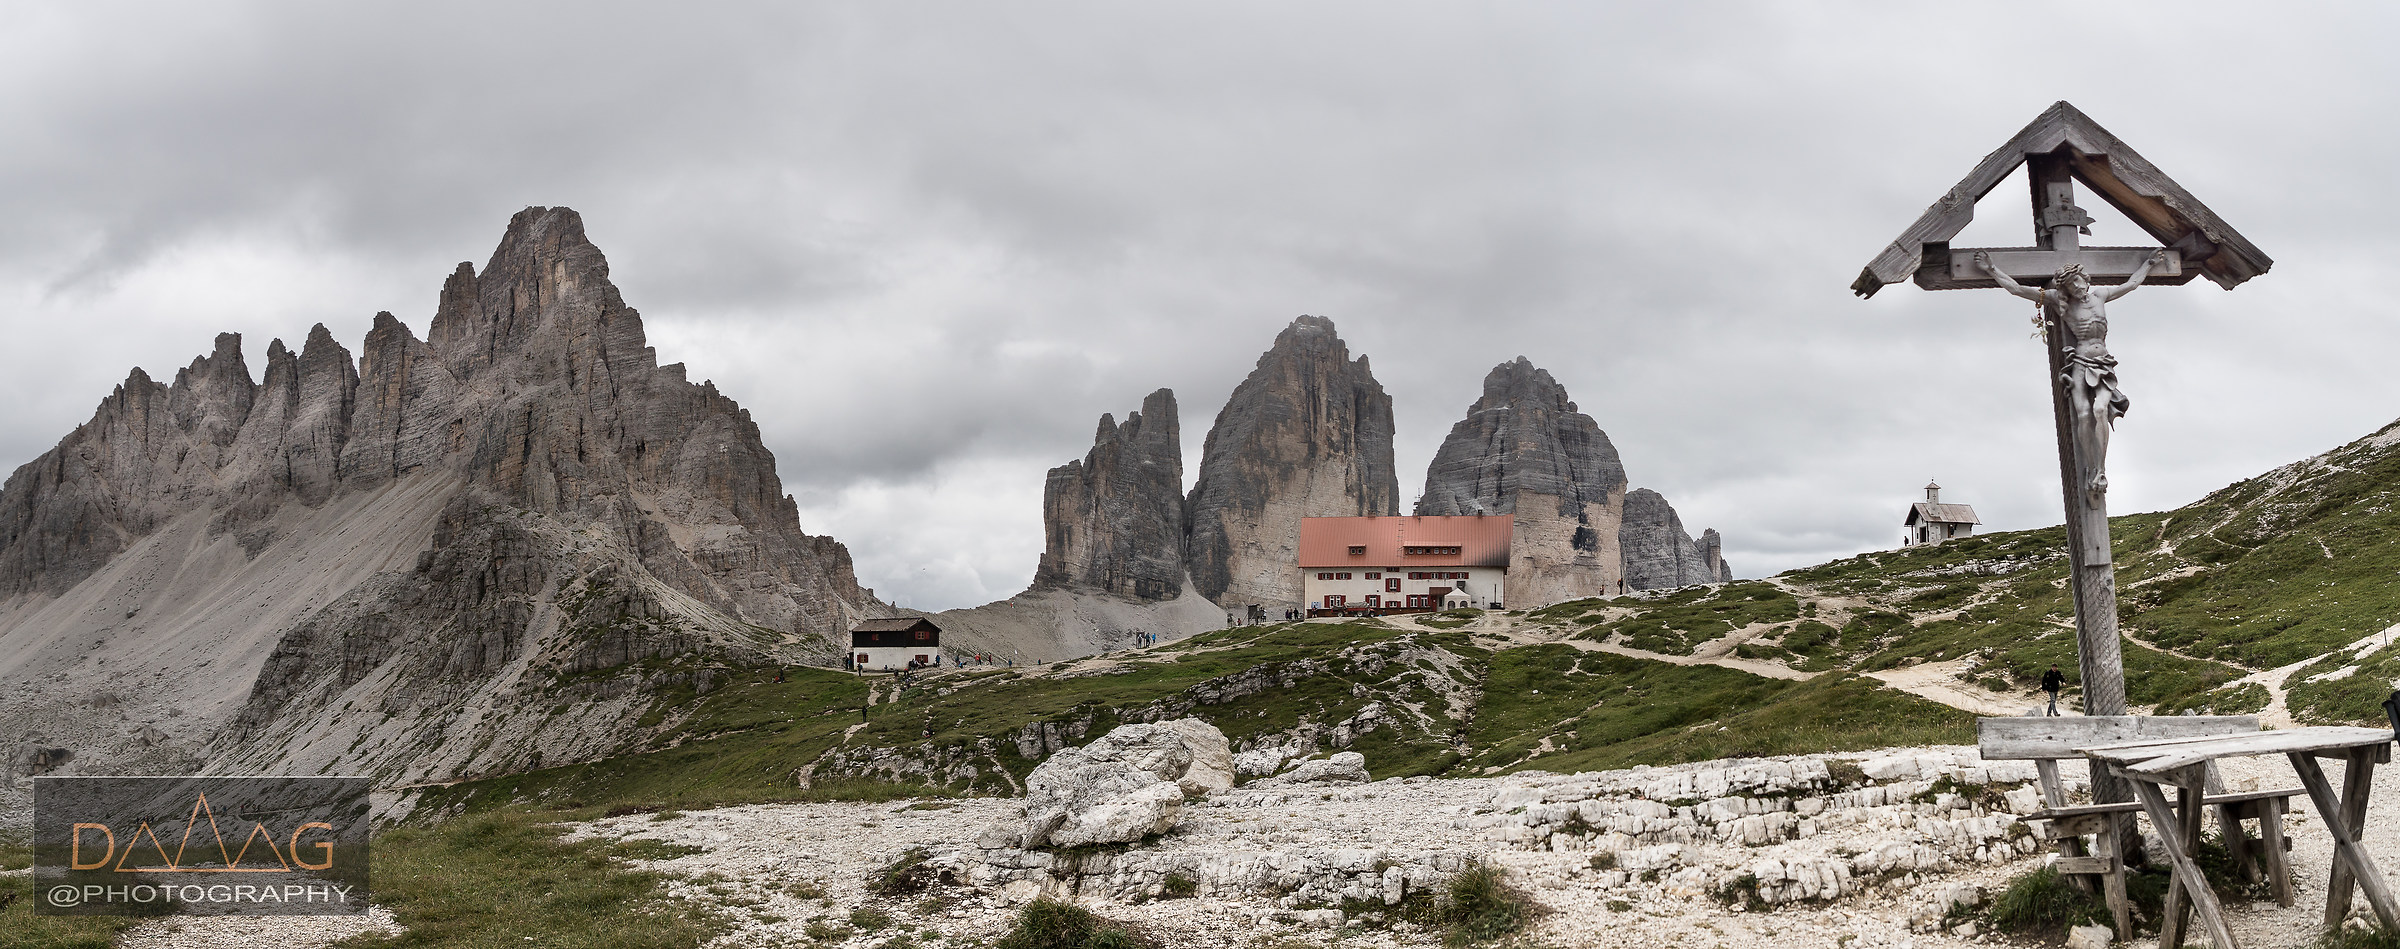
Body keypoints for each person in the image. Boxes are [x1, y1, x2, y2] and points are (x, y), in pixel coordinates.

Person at [1978, 249, 2166, 501]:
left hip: (2104, 362)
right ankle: (2091, 469)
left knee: (2100, 410)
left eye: (2079, 280)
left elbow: (2131, 284)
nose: (2078, 286)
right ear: (2065, 287)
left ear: (2085, 278)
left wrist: (2149, 264)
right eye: (2071, 283)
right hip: (2080, 361)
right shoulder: (2058, 300)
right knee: (2084, 413)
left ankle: (2100, 470)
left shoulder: (2100, 295)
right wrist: (1990, 269)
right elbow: (2017, 289)